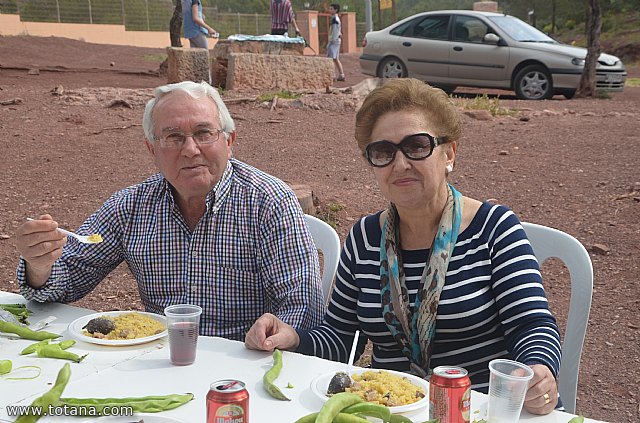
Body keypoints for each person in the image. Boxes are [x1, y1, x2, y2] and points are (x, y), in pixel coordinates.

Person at [245, 78, 562, 415]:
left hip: (478, 410)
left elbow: (532, 325)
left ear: (449, 152)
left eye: (417, 146)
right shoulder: (365, 238)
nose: (400, 164)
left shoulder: (494, 228)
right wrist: (293, 339)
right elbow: (340, 341)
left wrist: (538, 368)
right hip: (391, 411)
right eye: (384, 151)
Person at [15, 81, 326, 342]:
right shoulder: (131, 207)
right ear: (153, 149)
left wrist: (280, 333)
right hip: (158, 358)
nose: (190, 149)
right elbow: (67, 277)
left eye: (204, 133)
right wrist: (40, 265)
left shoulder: (269, 202)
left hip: (245, 364)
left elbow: (303, 306)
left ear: (229, 141)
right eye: (174, 137)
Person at [327, 4, 345, 82]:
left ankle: (333, 75)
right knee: (336, 59)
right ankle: (341, 75)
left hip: (334, 41)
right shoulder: (336, 19)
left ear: (335, 10)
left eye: (331, 9)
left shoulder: (335, 19)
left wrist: (331, 40)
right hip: (336, 40)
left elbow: (334, 31)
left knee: (331, 59)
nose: (330, 10)